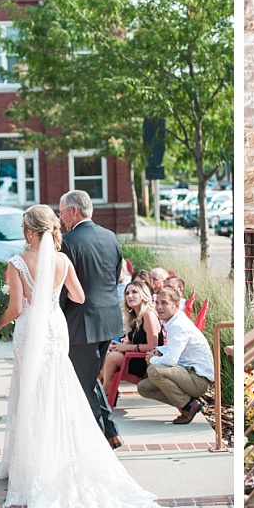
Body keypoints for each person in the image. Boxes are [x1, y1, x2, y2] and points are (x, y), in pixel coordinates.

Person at [0, 204, 163, 508]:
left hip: (31, 328)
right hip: (56, 326)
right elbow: (80, 296)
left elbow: (15, 308)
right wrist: (51, 299)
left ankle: (28, 463)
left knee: (30, 388)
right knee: (58, 387)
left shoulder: (16, 263)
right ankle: (64, 455)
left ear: (29, 230)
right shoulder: (63, 260)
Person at [59, 190, 124, 449]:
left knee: (82, 381)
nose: (60, 217)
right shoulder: (110, 237)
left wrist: (57, 317)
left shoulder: (68, 242)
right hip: (109, 320)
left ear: (74, 211)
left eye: (62, 211)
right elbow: (117, 275)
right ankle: (110, 432)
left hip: (81, 322)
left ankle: (99, 440)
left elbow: (65, 290)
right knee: (88, 378)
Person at [139, 287, 215, 424]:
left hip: (199, 380)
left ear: (176, 305)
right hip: (187, 373)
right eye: (157, 303)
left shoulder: (179, 325)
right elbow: (174, 347)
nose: (159, 307)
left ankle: (188, 407)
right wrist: (159, 350)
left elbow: (170, 360)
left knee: (154, 370)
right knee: (144, 388)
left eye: (164, 303)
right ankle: (190, 402)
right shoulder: (173, 321)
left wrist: (153, 359)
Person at [100, 281, 163, 396]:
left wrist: (127, 347)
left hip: (146, 361)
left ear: (143, 295)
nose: (130, 296)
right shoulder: (135, 315)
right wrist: (120, 345)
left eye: (134, 292)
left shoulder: (148, 314)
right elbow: (136, 340)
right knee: (104, 354)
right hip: (135, 356)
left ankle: (106, 391)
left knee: (112, 357)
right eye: (127, 293)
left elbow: (153, 346)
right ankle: (109, 390)